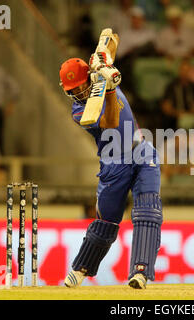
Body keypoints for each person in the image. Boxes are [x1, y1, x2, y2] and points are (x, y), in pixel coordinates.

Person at [59, 35, 162, 290]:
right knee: (106, 222)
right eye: (72, 91)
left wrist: (104, 60)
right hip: (113, 163)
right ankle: (80, 269)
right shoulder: (79, 112)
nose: (77, 93)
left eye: (80, 87)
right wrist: (111, 87)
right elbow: (111, 121)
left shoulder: (99, 75)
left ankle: (140, 272)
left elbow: (111, 37)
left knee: (148, 210)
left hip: (141, 150)